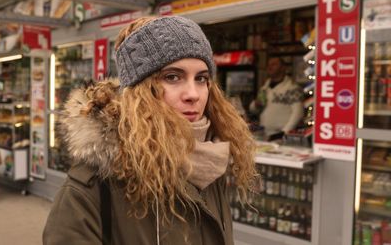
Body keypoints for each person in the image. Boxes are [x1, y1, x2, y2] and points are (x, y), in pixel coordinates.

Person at [43, 16, 258, 245]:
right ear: (140, 92)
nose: (193, 94)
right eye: (173, 77)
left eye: (202, 78)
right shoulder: (94, 186)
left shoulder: (213, 159)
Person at [250, 57, 303, 141]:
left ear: (283, 68)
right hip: (264, 134)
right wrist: (255, 105)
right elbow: (253, 110)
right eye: (268, 65)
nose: (269, 67)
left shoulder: (292, 87)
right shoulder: (264, 88)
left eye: (274, 64)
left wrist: (284, 132)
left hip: (283, 137)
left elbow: (298, 112)